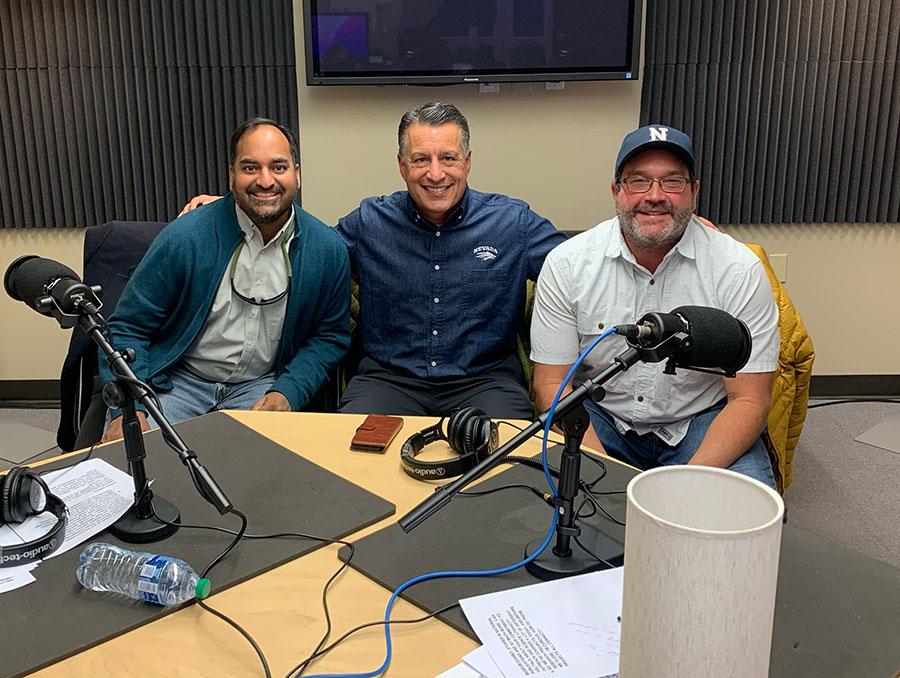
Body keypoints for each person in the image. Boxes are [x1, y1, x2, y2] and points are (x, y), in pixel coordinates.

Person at [181, 102, 566, 419]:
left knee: (510, 470)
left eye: (447, 158)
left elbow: (575, 269)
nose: (435, 173)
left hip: (486, 383)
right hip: (388, 383)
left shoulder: (512, 223)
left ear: (466, 162)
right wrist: (237, 210)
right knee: (347, 467)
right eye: (420, 160)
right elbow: (304, 247)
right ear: (402, 166)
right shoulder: (369, 222)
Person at [530, 125, 779, 488]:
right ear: (616, 191)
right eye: (638, 181)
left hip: (700, 422)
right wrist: (604, 479)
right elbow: (552, 384)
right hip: (600, 417)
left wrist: (682, 487)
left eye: (673, 182)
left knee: (748, 522)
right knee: (540, 506)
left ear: (694, 192)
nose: (655, 195)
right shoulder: (567, 264)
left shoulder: (738, 270)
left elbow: (749, 400)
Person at [100, 117, 350, 442]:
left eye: (278, 167)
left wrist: (287, 393)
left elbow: (329, 337)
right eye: (250, 168)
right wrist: (129, 409)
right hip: (177, 380)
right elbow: (128, 327)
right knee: (138, 465)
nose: (265, 180)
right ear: (231, 175)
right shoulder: (185, 238)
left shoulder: (325, 249)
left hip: (260, 385)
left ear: (297, 174)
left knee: (252, 480)